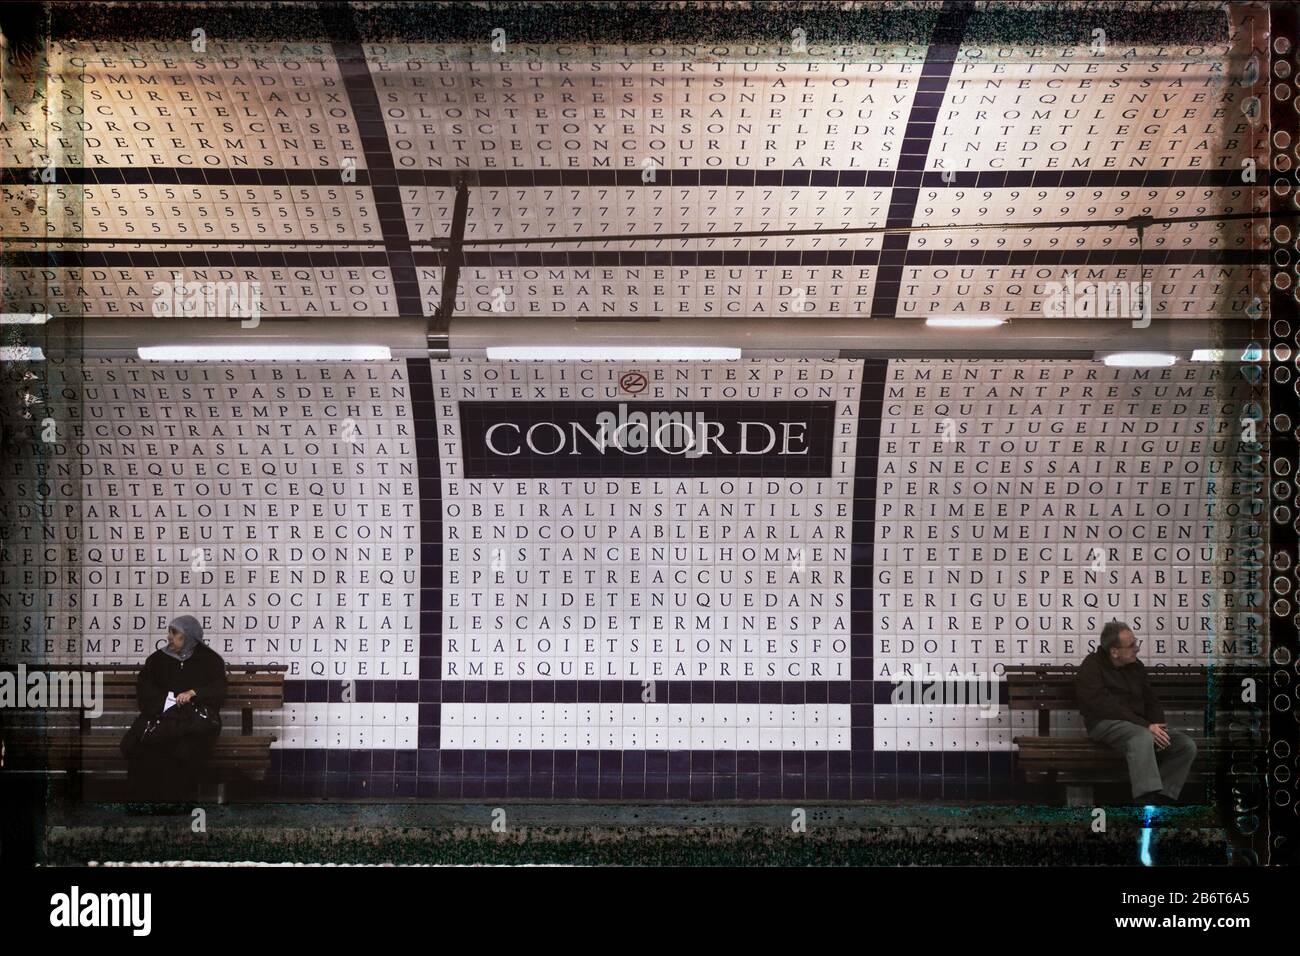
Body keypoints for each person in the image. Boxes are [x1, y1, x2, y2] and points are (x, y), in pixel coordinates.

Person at [1075, 620, 1197, 805]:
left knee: (1185, 745)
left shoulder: (1135, 666)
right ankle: (1145, 801)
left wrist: (1158, 726)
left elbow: (1151, 700)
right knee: (1142, 737)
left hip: (1140, 726)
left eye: (1135, 643)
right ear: (1114, 651)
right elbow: (1105, 706)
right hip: (1104, 723)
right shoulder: (1091, 666)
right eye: (1131, 645)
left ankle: (1161, 800)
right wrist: (1146, 726)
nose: (1137, 649)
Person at [123, 615, 226, 802]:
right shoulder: (157, 660)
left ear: (190, 636)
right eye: (169, 632)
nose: (169, 637)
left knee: (185, 745)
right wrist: (168, 701)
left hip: (195, 719)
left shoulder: (209, 660)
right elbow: (146, 689)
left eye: (175, 632)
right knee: (144, 746)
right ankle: (147, 803)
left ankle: (178, 802)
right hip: (162, 717)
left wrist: (194, 693)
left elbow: (218, 689)